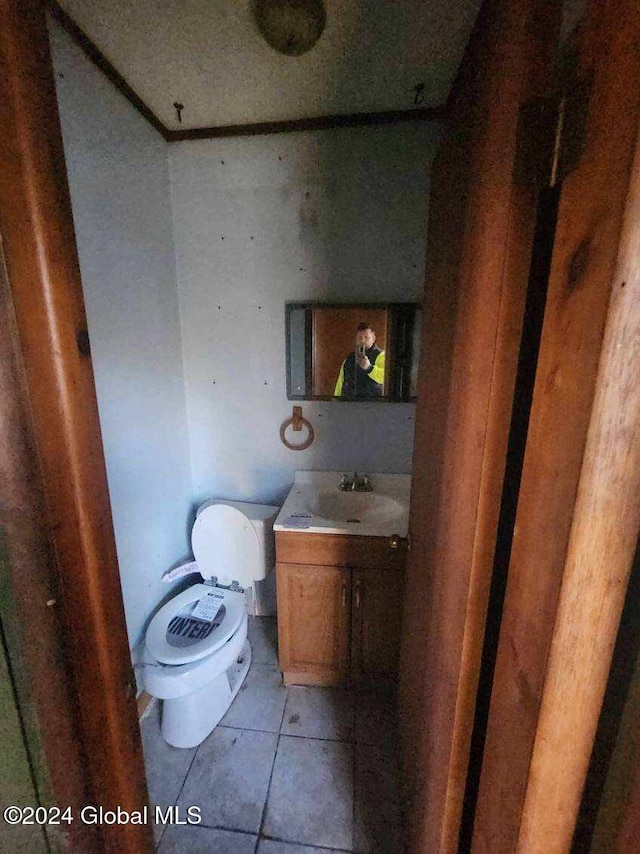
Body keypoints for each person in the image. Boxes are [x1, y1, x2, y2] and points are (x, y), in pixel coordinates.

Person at [334, 322, 386, 398]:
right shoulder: (350, 358)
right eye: (359, 337)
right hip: (348, 404)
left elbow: (385, 379)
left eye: (366, 337)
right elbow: (341, 382)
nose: (362, 340)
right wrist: (335, 398)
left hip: (373, 404)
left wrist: (369, 368)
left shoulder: (381, 356)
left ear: (374, 338)